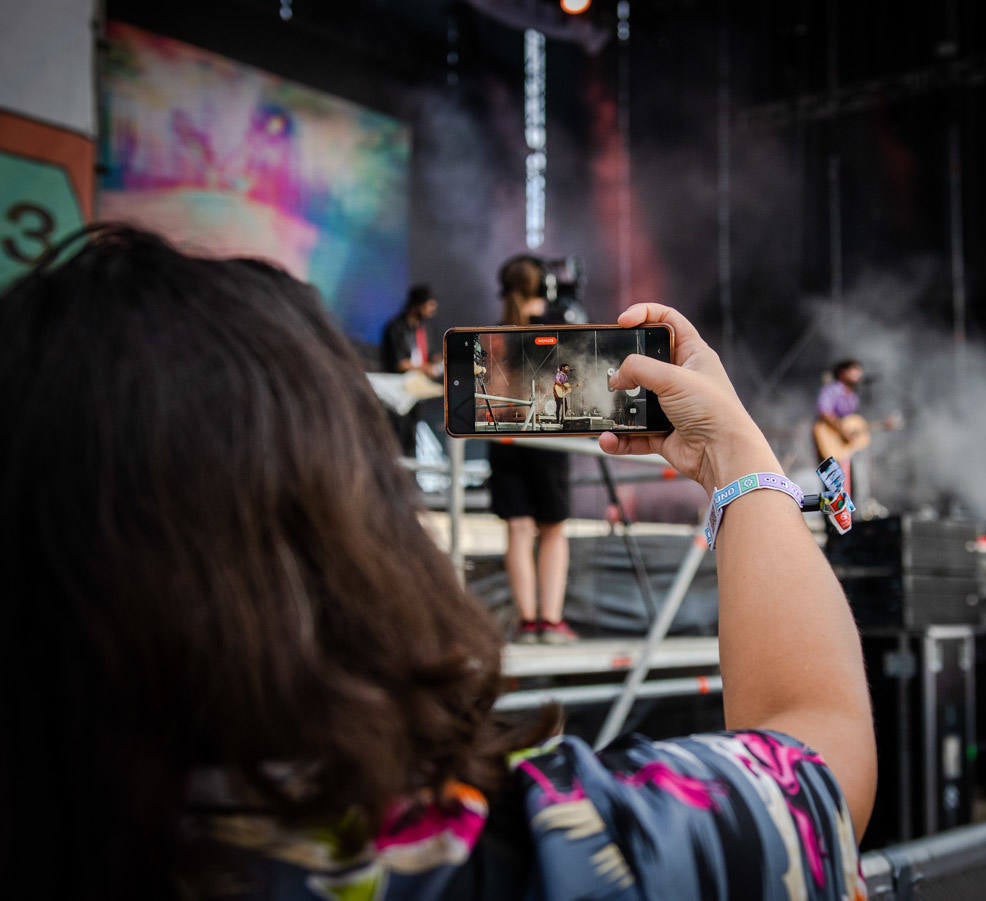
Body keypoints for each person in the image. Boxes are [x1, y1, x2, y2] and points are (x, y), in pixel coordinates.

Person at [0, 226, 875, 899]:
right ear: (344, 530)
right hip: (539, 462)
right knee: (543, 531)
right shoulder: (493, 859)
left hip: (524, 457)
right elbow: (816, 761)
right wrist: (739, 458)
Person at [489, 256, 577, 645]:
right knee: (553, 530)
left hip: (504, 438)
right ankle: (551, 621)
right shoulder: (560, 327)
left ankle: (528, 623)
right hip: (545, 439)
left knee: (519, 529)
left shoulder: (493, 333)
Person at [380, 283, 441, 455]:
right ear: (417, 304)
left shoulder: (425, 328)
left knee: (413, 438)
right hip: (399, 394)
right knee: (398, 436)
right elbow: (400, 363)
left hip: (418, 392)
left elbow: (429, 354)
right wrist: (424, 367)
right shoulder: (395, 328)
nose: (432, 310)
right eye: (429, 305)